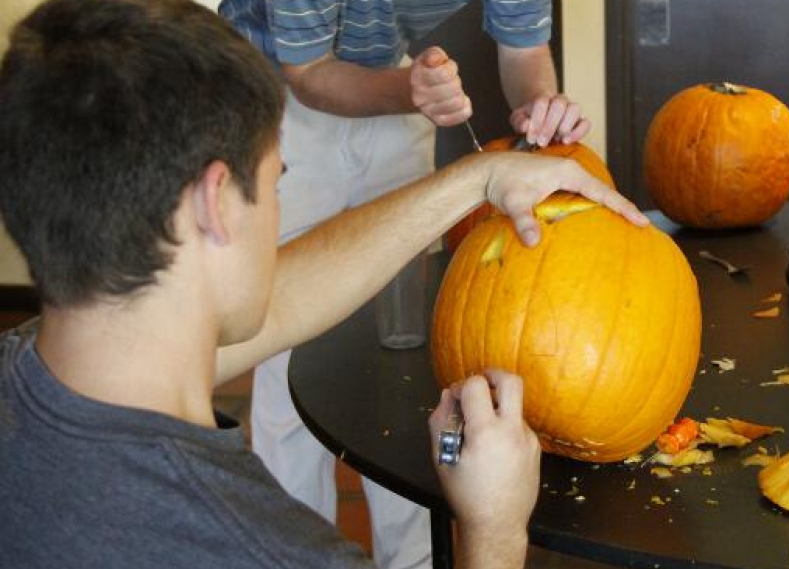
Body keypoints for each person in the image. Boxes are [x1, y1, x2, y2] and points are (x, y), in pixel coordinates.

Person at [0, 0, 648, 568]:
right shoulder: (271, 550)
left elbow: (283, 303)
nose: (280, 208)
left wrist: (476, 180)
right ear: (215, 204)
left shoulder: (36, 365)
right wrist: (494, 531)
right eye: (277, 182)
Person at [215, 2, 592, 567]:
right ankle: (290, 552)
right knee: (283, 354)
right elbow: (310, 74)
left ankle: (413, 558)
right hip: (276, 97)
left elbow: (524, 49)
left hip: (392, 78)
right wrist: (409, 91)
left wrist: (540, 108)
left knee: (404, 344)